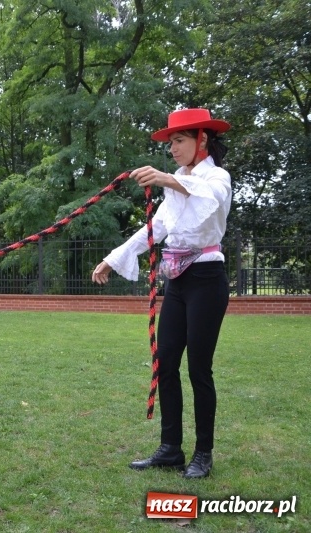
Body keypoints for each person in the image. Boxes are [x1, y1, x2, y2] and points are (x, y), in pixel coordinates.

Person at [92, 108, 232, 479]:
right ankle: (170, 449)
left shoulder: (216, 177)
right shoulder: (178, 182)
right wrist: (112, 259)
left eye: (179, 140)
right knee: (165, 363)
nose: (172, 148)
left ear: (202, 140)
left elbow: (207, 197)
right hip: (178, 283)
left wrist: (167, 179)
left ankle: (203, 453)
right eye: (170, 142)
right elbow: (156, 227)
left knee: (199, 368)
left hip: (207, 280)